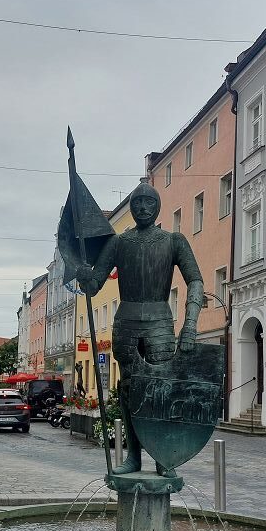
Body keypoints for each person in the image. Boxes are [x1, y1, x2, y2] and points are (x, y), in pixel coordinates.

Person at [77, 179, 206, 475]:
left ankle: (163, 457)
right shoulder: (119, 242)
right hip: (127, 321)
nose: (143, 208)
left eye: (149, 202)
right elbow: (94, 286)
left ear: (158, 206)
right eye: (137, 203)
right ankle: (133, 456)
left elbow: (195, 280)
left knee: (162, 388)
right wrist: (84, 274)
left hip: (160, 320)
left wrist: (190, 324)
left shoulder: (174, 241)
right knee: (130, 391)